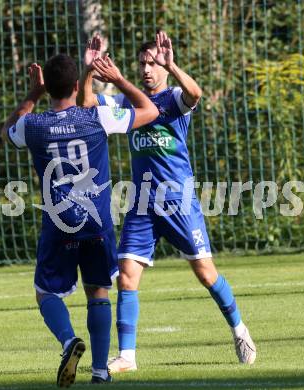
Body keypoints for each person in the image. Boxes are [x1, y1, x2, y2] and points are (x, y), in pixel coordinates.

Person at [78, 31, 256, 373]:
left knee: (206, 274)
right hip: (142, 203)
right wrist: (88, 71)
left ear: (163, 66)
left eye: (152, 63)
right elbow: (87, 104)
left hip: (179, 201)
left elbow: (195, 93)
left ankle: (239, 330)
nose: (147, 69)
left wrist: (172, 65)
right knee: (127, 277)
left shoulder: (173, 98)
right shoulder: (126, 104)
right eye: (143, 62)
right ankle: (127, 356)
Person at [1, 36, 158, 386]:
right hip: (96, 222)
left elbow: (6, 132)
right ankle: (101, 371)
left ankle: (69, 340)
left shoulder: (34, 125)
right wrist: (115, 79)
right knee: (98, 291)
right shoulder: (96, 118)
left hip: (59, 224)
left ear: (49, 87)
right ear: (75, 85)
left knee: (45, 292)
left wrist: (33, 94)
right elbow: (150, 111)